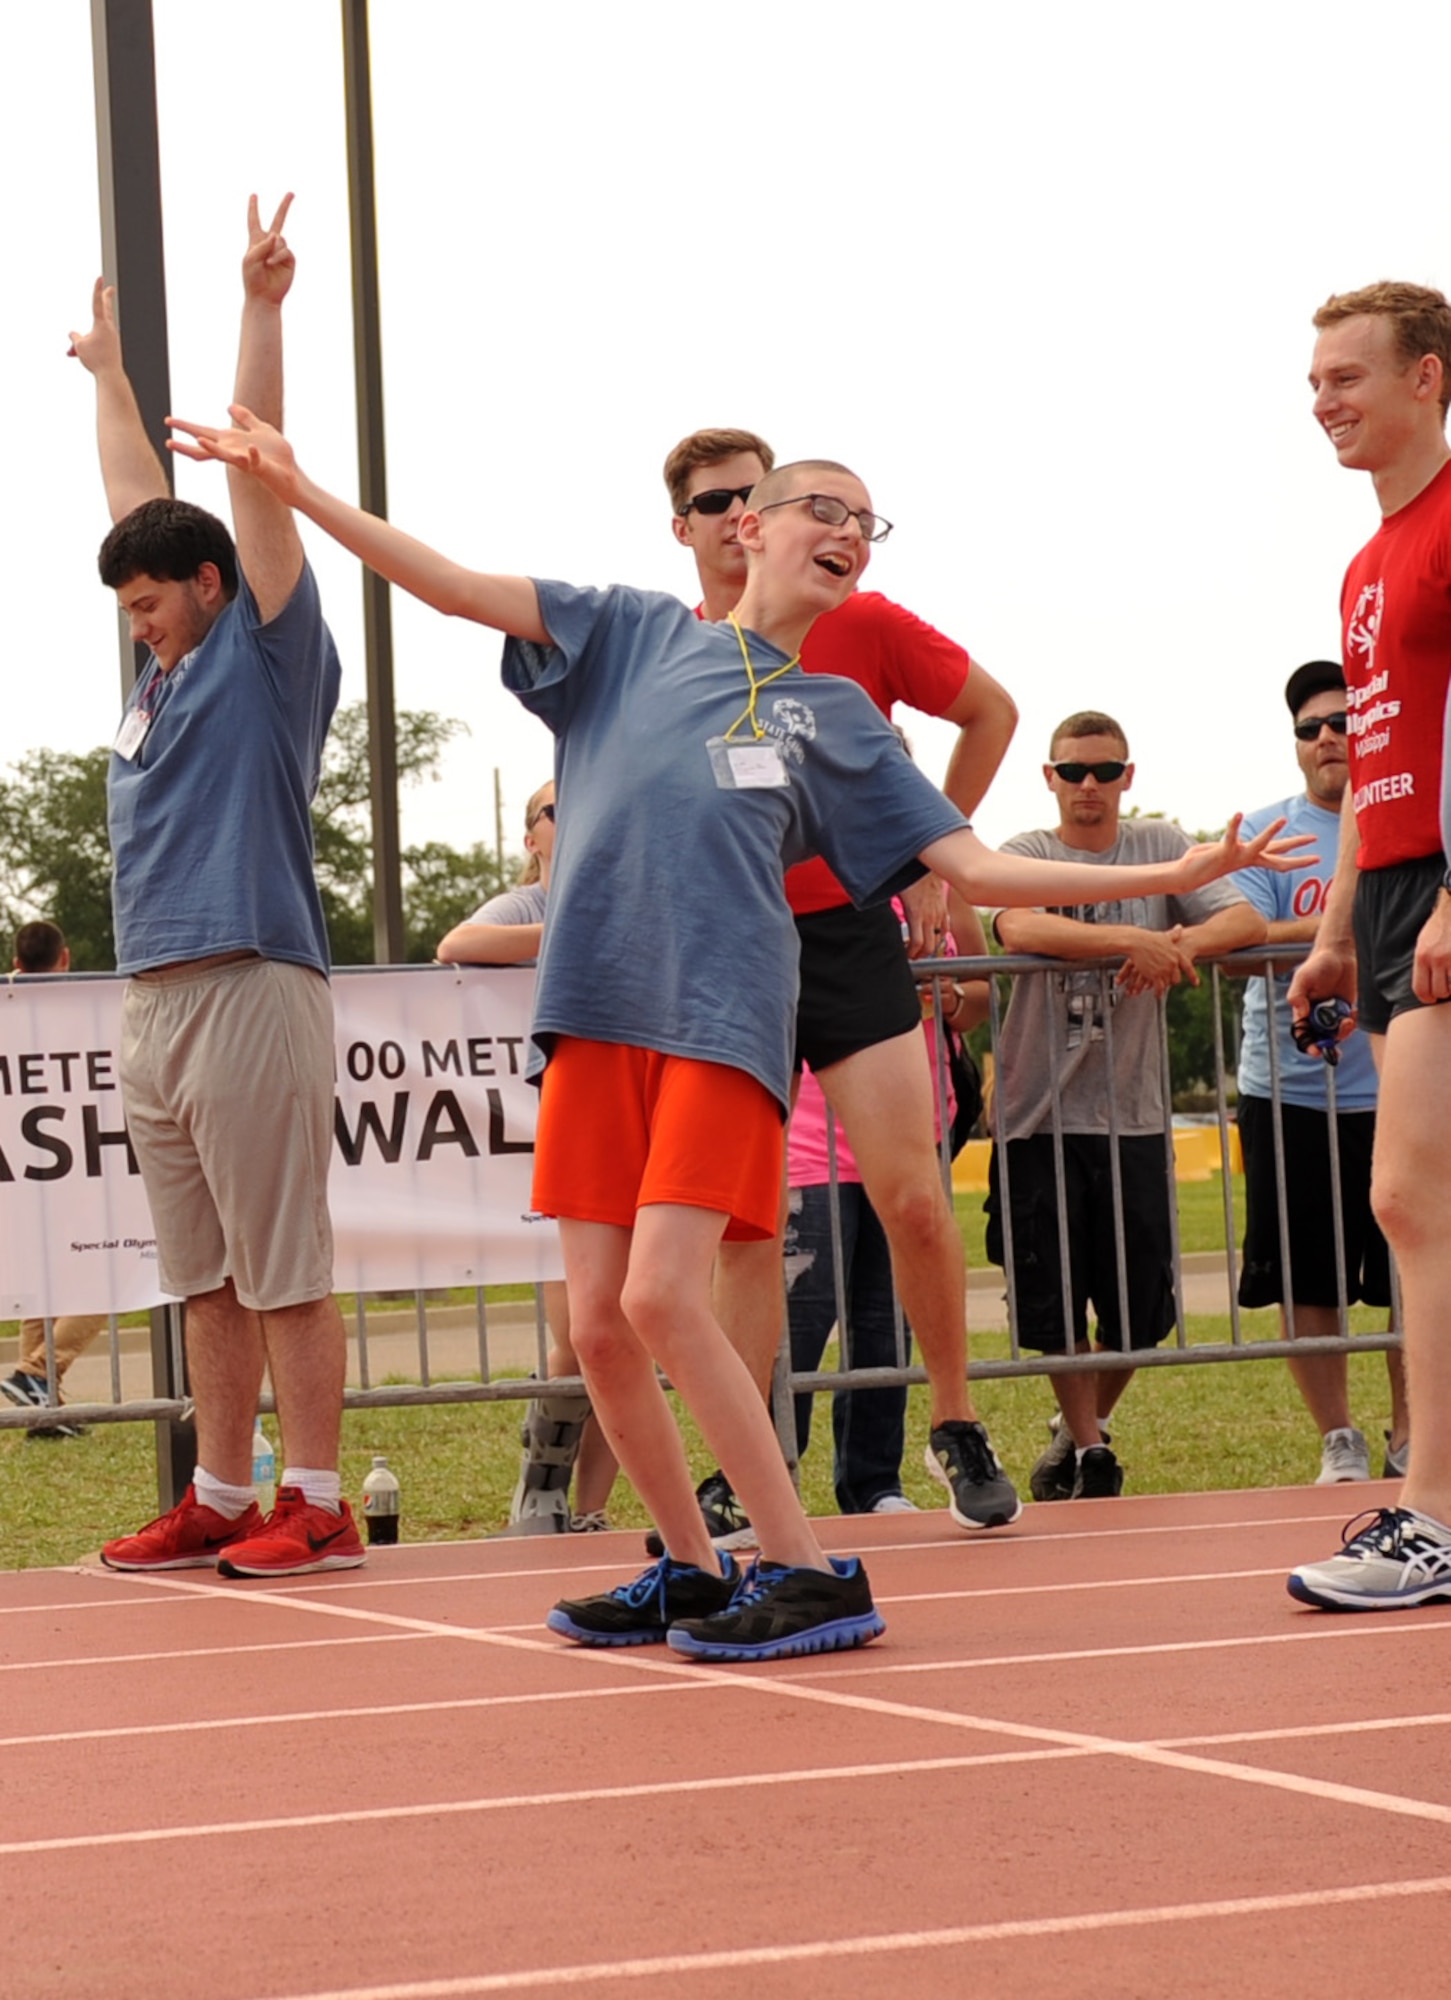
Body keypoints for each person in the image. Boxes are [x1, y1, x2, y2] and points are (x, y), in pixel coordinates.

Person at [167, 403, 1307, 1658]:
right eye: (825, 508)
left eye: (865, 524)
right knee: (596, 1321)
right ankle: (697, 1571)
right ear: (747, 528)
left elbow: (974, 867)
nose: (849, 534)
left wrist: (1179, 865)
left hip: (721, 1021)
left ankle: (811, 1568)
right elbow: (446, 586)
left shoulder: (835, 718)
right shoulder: (629, 631)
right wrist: (297, 482)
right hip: (593, 1016)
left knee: (664, 1292)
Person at [663, 427, 1025, 1541]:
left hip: (850, 941)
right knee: (747, 1227)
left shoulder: (858, 623)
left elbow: (990, 711)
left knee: (910, 1196)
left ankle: (955, 1419)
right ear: (694, 524)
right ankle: (750, 1455)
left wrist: (925, 860)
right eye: (715, 500)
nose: (738, 516)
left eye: (750, 493)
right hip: (734, 949)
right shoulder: (670, 649)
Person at [71, 197, 363, 1578]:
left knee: (282, 1265)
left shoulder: (263, 654)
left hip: (254, 978)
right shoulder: (161, 675)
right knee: (203, 1277)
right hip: (156, 1000)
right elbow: (139, 497)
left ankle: (318, 1496)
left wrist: (261, 310)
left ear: (209, 586)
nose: (139, 618)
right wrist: (109, 380)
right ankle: (225, 1491)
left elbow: (242, 483)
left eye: (150, 597)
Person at [989, 712, 1268, 1500]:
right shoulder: (1027, 852)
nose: (1088, 786)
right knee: (1052, 1298)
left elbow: (1242, 917)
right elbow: (1013, 923)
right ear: (1048, 777)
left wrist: (1174, 946)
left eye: (1105, 772)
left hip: (1134, 1115)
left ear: (1128, 777)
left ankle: (1082, 1429)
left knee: (1141, 1308)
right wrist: (1126, 939)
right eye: (1073, 771)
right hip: (1035, 1115)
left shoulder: (1160, 846)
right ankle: (1089, 1448)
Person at [1288, 282, 1451, 1610]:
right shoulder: (1360, 563)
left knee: (1404, 1195)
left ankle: (1430, 1511)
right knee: (1414, 1200)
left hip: (1446, 888)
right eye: (1313, 383)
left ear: (1425, 379)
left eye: (1348, 375)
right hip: (1391, 893)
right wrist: (1336, 934)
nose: (1324, 401)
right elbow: (1379, 760)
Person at [1235, 661, 1407, 1485]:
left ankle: (1410, 1431)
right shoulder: (1271, 831)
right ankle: (1338, 1437)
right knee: (1304, 1274)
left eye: (1343, 720)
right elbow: (1235, 941)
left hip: (1401, 1086)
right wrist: (1329, 931)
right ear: (1296, 744)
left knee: (1413, 1265)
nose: (1328, 737)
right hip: (1289, 1093)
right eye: (1311, 727)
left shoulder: (1408, 825)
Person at [436, 780, 620, 1532]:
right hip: (544, 1144)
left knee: (622, 1333)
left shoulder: (626, 892)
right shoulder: (524, 908)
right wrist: (568, 935)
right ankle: (541, 1479)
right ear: (531, 838)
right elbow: (457, 945)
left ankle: (592, 1509)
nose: (570, 819)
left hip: (625, 1130)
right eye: (554, 810)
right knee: (582, 1332)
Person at [786, 900, 991, 1515]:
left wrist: (949, 999)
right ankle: (763, 1475)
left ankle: (874, 1481)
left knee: (885, 1321)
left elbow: (980, 991)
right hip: (811, 1135)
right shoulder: (800, 866)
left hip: (911, 1129)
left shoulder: (938, 876)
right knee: (800, 1315)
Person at [2, 922, 107, 1439]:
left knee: (37, 1286)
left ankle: (44, 1408)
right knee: (108, 1271)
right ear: (64, 958)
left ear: (18, 963)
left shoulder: (8, 1003)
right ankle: (39, 1373)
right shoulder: (87, 1008)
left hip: (18, 1167)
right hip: (77, 1159)